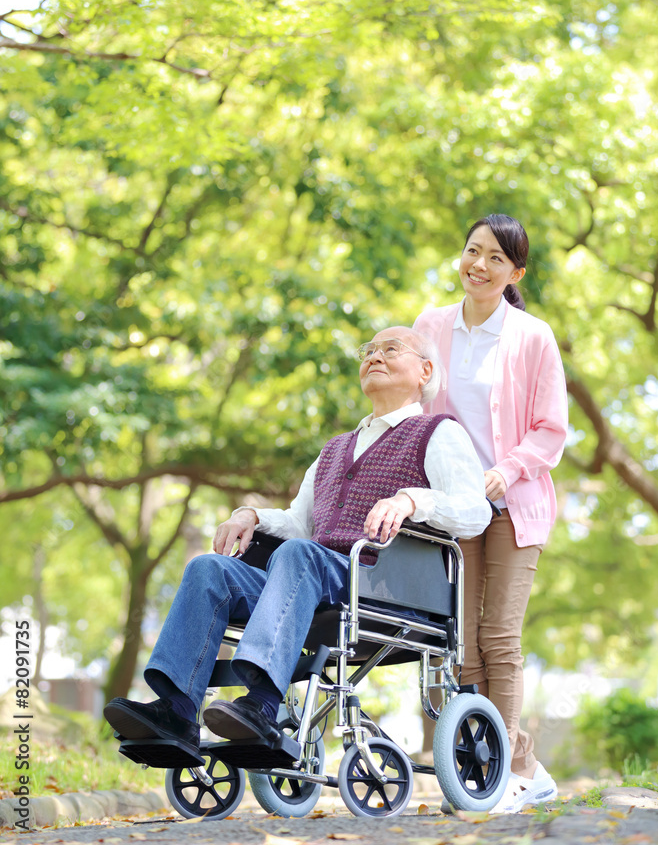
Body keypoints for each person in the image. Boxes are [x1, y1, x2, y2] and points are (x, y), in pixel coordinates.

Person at [104, 326, 490, 754]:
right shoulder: (335, 448)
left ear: (425, 371)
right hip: (308, 576)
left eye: (391, 350)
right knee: (209, 569)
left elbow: (475, 511)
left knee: (299, 556)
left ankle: (262, 706)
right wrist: (250, 514)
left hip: (383, 583)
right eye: (369, 351)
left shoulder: (437, 432)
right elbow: (299, 521)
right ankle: (177, 710)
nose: (374, 357)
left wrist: (412, 500)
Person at [414, 214, 568, 814]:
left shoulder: (532, 337)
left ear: (515, 273)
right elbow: (415, 405)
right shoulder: (431, 326)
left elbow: (551, 430)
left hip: (511, 505)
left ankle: (505, 777)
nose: (478, 266)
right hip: (456, 510)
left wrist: (504, 471)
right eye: (472, 251)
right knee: (463, 645)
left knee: (500, 638)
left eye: (495, 260)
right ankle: (510, 763)